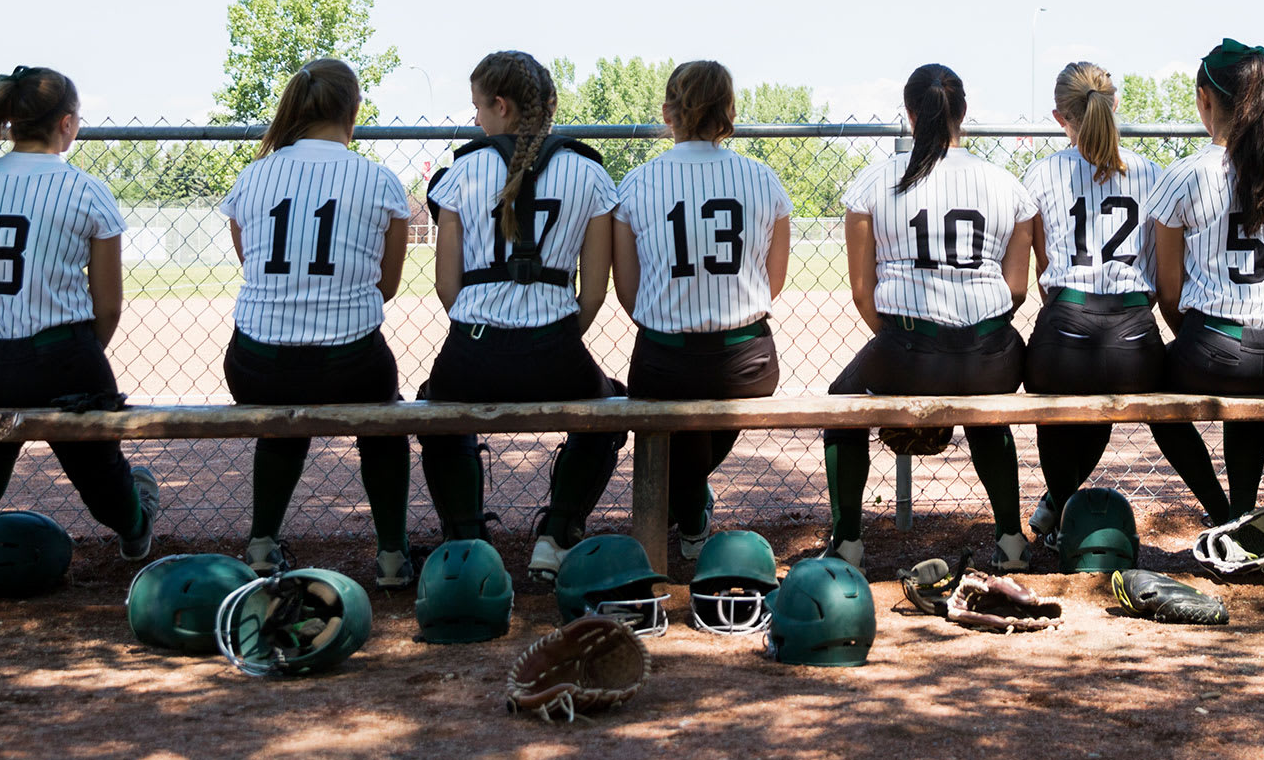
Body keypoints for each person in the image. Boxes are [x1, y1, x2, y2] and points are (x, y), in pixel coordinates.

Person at [0, 66, 160, 561]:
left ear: (9, 121)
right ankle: (134, 525)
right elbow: (109, 305)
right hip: (57, 363)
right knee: (95, 458)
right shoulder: (85, 188)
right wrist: (73, 359)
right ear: (67, 124)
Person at [418, 50, 625, 582]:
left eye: (477, 109)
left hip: (472, 349)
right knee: (610, 409)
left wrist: (484, 325)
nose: (476, 120)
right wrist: (548, 331)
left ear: (502, 107)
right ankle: (556, 536)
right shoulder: (590, 171)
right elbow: (595, 292)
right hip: (557, 351)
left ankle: (468, 539)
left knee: (434, 409)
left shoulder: (462, 169)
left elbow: (447, 287)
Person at [823, 64, 1037, 572]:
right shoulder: (1006, 184)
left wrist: (909, 344)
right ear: (964, 112)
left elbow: (862, 291)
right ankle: (1011, 540)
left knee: (839, 406)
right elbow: (1017, 289)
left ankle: (847, 543)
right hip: (992, 354)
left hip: (907, 351)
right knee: (986, 411)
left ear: (910, 114)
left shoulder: (873, 181)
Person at [219, 60, 414, 586]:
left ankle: (261, 543)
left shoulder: (254, 175)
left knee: (285, 409)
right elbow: (388, 287)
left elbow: (251, 265)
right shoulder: (377, 178)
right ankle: (393, 555)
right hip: (350, 364)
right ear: (353, 111)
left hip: (255, 364)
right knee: (383, 422)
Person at [1020, 63, 1232, 541]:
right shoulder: (1153, 173)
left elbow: (1042, 272)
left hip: (1064, 332)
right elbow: (1159, 277)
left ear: (1060, 117)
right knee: (1156, 405)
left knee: (1059, 403)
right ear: (1115, 104)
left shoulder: (1042, 172)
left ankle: (1061, 516)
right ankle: (1224, 513)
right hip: (1133, 335)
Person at [1151, 39, 1264, 564]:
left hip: (1217, 345)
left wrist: (1204, 339)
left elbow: (1170, 292)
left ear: (1206, 99)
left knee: (1155, 394)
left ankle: (1230, 515)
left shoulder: (1184, 175)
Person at [613, 61, 792, 562]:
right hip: (747, 361)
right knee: (697, 419)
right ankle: (690, 514)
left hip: (662, 360)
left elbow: (628, 293)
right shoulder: (763, 178)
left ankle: (686, 511)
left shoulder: (635, 183)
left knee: (677, 410)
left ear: (668, 113)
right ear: (729, 113)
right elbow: (771, 283)